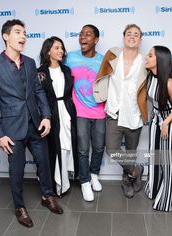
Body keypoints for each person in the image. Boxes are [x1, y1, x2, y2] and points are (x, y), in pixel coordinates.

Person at [0, 19, 63, 228]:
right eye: (18, 32)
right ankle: (19, 207)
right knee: (16, 170)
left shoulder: (29, 63)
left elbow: (38, 92)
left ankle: (47, 195)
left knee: (44, 163)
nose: (23, 36)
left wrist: (46, 116)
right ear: (5, 36)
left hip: (35, 125)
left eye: (25, 33)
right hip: (11, 130)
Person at [94, 24, 148, 199]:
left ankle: (127, 180)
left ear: (140, 40)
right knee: (112, 149)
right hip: (114, 112)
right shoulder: (113, 54)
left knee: (131, 152)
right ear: (124, 36)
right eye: (129, 33)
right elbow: (102, 75)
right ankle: (136, 170)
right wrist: (99, 94)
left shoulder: (145, 61)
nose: (132, 36)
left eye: (136, 34)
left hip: (134, 114)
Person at [66, 24, 105, 201]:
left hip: (100, 111)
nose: (83, 37)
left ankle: (94, 173)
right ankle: (84, 181)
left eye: (88, 34)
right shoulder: (70, 57)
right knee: (82, 150)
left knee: (98, 147)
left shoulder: (104, 60)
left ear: (96, 40)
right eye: (81, 34)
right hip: (80, 111)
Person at [37, 36, 78, 197]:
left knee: (67, 146)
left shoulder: (66, 70)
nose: (61, 51)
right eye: (56, 48)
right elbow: (38, 97)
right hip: (51, 114)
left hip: (67, 112)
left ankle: (65, 182)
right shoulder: (40, 73)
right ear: (48, 51)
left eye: (62, 48)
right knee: (54, 149)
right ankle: (55, 185)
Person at [144, 45, 172, 211]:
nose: (147, 57)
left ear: (159, 60)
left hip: (168, 120)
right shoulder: (151, 77)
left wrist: (165, 122)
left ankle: (166, 198)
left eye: (150, 55)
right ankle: (153, 187)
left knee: (165, 159)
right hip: (155, 118)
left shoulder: (169, 83)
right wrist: (153, 118)